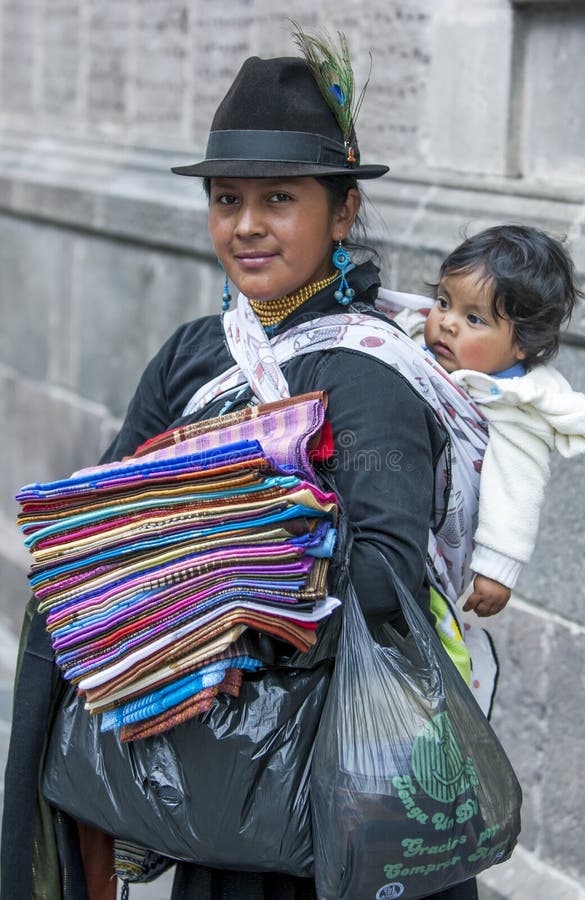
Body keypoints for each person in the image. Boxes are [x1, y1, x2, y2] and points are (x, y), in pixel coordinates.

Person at [1, 31, 484, 900]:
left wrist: (217, 581)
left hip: (328, 779)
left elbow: (384, 572)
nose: (247, 225)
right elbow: (106, 516)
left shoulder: (368, 374)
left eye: (279, 199)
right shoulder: (194, 355)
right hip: (217, 776)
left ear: (341, 213)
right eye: (227, 199)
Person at [388, 225, 585, 619]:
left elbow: (516, 486)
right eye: (444, 302)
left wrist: (499, 568)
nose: (448, 322)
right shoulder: (410, 340)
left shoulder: (516, 408)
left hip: (430, 544)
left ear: (522, 343)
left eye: (474, 318)